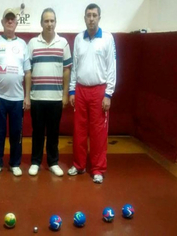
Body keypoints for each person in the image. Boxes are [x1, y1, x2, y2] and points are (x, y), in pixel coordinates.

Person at [68, 3, 116, 184]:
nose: (91, 18)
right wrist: (72, 90)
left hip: (99, 91)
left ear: (99, 18)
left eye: (94, 15)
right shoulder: (79, 38)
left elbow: (112, 67)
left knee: (98, 132)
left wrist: (108, 94)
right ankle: (79, 165)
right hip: (80, 90)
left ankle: (97, 168)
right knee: (79, 130)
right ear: (84, 18)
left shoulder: (108, 38)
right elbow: (75, 66)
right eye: (88, 15)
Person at [0, 9, 31, 177]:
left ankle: (15, 163)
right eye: (7, 19)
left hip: (18, 99)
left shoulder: (22, 45)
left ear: (16, 23)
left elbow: (27, 73)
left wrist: (27, 96)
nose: (10, 22)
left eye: (13, 19)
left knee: (16, 134)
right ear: (3, 22)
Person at [27, 8, 72, 177]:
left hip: (55, 98)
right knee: (37, 132)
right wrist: (28, 95)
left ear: (56, 23)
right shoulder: (32, 43)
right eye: (46, 21)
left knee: (53, 132)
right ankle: (35, 162)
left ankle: (53, 162)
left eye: (52, 21)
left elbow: (67, 70)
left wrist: (65, 94)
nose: (49, 24)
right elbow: (28, 72)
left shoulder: (63, 43)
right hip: (37, 97)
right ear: (41, 23)